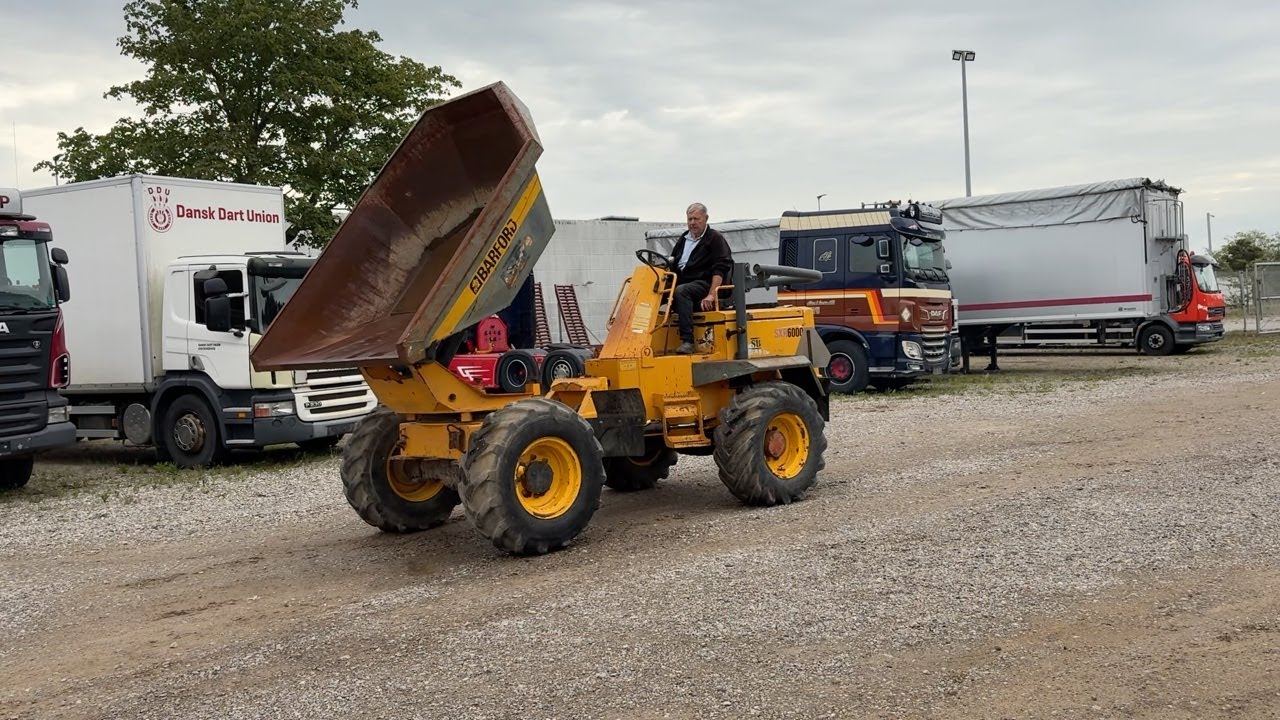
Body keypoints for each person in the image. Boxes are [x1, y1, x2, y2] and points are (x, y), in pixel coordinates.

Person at [666, 202, 733, 354]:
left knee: (682, 291)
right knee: (654, 290)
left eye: (696, 219)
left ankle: (688, 341)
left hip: (705, 282)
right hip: (683, 279)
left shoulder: (714, 238)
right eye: (690, 219)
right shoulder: (684, 239)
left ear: (706, 219)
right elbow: (673, 261)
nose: (692, 223)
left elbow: (720, 268)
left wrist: (711, 294)